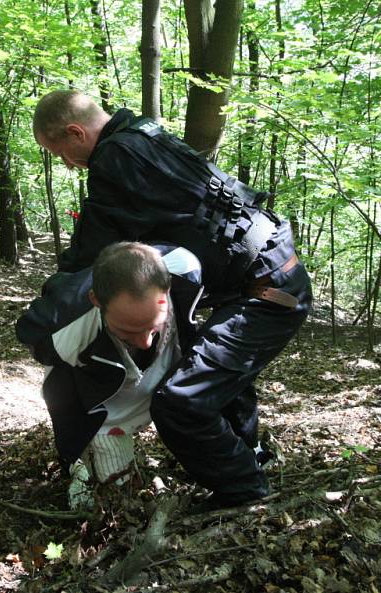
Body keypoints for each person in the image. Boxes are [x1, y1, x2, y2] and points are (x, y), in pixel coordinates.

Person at [31, 90, 312, 511]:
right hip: (269, 272)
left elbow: (94, 245)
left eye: (62, 153)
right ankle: (248, 455)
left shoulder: (115, 158)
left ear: (75, 132)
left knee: (182, 400)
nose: (69, 164)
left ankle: (243, 490)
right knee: (215, 374)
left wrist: (50, 306)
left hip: (266, 290)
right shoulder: (144, 133)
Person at [16, 242, 203, 508]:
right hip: (97, 385)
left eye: (150, 326)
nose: (144, 342)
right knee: (113, 487)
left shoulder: (184, 267)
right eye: (128, 330)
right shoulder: (61, 335)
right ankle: (86, 470)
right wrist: (74, 445)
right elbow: (63, 395)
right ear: (96, 301)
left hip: (147, 370)